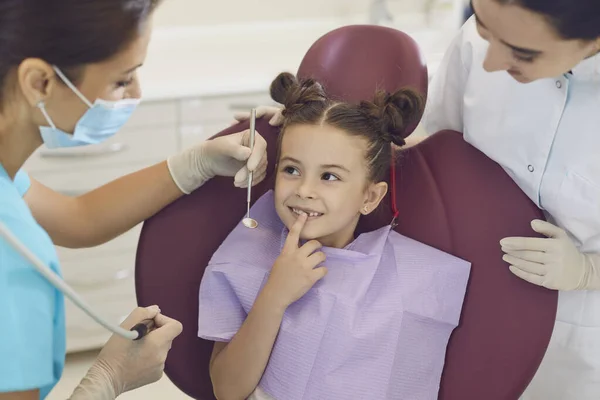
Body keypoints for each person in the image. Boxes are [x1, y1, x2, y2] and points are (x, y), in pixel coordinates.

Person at [235, 0, 600, 398]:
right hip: (467, 303)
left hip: (580, 341)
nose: (491, 63)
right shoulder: (476, 49)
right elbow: (430, 160)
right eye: (484, 29)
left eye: (523, 52)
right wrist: (313, 133)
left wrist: (589, 271)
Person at [0, 0, 268, 399]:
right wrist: (108, 380)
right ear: (40, 82)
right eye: (122, 81)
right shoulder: (14, 261)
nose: (136, 93)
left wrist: (197, 162)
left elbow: (78, 218)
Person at [200, 72, 471, 400]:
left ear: (370, 197)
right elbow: (227, 390)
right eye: (291, 170)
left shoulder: (412, 279)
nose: (305, 190)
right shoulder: (248, 258)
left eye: (329, 176)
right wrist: (274, 296)